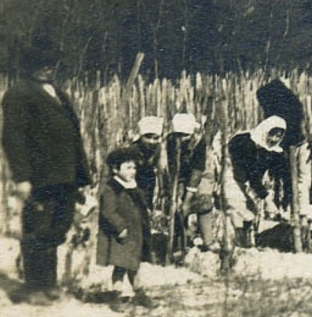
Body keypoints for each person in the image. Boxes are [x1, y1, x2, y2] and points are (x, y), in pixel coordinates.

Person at [1, 36, 92, 303]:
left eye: (51, 64)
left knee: (58, 228)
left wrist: (80, 174)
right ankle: (34, 287)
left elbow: (73, 135)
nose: (47, 68)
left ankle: (49, 282)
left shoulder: (57, 92)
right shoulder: (19, 93)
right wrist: (22, 177)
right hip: (41, 176)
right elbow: (13, 138)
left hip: (65, 176)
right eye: (40, 64)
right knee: (38, 228)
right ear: (28, 65)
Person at [96, 145, 149, 306]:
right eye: (128, 168)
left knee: (134, 266)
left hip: (135, 235)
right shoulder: (112, 189)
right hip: (121, 236)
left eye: (134, 167)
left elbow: (140, 206)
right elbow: (108, 212)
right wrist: (120, 227)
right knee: (120, 266)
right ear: (115, 169)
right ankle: (116, 295)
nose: (132, 171)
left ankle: (139, 293)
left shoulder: (133, 187)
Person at [226, 115, 288, 246]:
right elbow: (251, 173)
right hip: (233, 177)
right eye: (273, 135)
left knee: (251, 211)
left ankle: (247, 240)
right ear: (266, 130)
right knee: (236, 208)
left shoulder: (273, 151)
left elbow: (279, 175)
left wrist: (281, 200)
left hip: (250, 183)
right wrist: (266, 199)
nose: (274, 139)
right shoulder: (246, 143)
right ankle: (237, 242)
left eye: (278, 136)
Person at [166, 112, 223, 256]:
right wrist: (177, 195)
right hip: (181, 174)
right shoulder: (170, 142)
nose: (181, 139)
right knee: (176, 206)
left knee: (203, 200)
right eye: (178, 135)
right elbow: (172, 168)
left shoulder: (199, 142)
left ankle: (208, 240)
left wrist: (188, 200)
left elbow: (197, 171)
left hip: (202, 172)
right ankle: (180, 241)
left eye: (185, 135)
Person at [132, 115, 165, 261]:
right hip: (132, 181)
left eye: (155, 138)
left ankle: (144, 251)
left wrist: (164, 188)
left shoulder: (158, 149)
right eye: (148, 137)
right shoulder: (132, 149)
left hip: (148, 182)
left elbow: (162, 168)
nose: (152, 142)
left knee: (146, 212)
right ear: (141, 136)